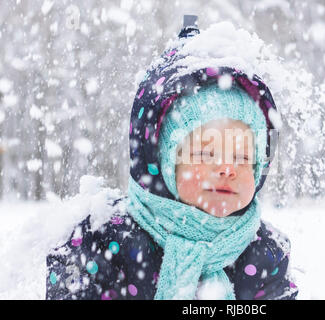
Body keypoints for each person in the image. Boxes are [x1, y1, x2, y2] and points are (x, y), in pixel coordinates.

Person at [46, 16, 298, 300]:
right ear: (164, 162)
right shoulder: (107, 238)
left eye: (242, 158)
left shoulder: (265, 252)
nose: (227, 168)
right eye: (206, 153)